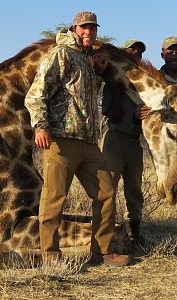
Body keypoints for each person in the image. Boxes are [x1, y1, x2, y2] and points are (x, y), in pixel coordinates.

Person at [25, 11, 130, 267]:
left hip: (89, 142)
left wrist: (99, 71)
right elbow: (36, 95)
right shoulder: (60, 54)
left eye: (92, 29)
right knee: (54, 199)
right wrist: (40, 127)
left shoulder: (87, 60)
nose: (89, 32)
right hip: (62, 140)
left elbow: (85, 99)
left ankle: (102, 252)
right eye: (84, 28)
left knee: (106, 193)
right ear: (74, 28)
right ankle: (50, 256)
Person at [101, 39, 151, 248]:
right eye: (132, 51)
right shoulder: (112, 83)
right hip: (115, 140)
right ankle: (107, 238)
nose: (136, 55)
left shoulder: (145, 86)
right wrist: (134, 113)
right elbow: (109, 113)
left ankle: (136, 235)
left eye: (139, 53)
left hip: (135, 143)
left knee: (135, 191)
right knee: (107, 190)